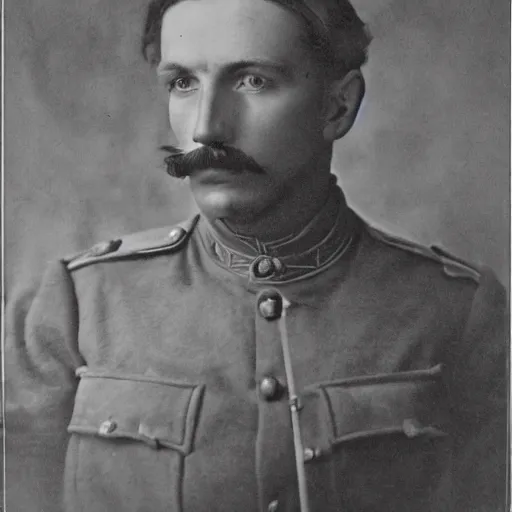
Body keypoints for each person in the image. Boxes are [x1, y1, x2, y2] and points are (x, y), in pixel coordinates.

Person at [6, 0, 507, 511]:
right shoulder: (77, 304)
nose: (206, 128)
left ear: (338, 106)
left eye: (252, 81)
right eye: (182, 82)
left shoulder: (458, 310)